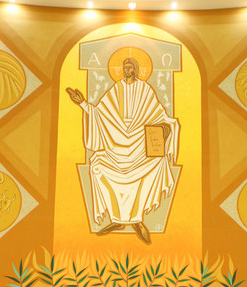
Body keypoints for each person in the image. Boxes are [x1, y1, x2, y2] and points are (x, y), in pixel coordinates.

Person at [66, 56, 179, 244]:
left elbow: (160, 115)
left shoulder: (145, 89)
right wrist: (83, 104)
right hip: (115, 144)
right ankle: (117, 219)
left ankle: (136, 220)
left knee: (158, 163)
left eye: (130, 67)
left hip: (140, 145)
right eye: (125, 67)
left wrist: (165, 129)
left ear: (136, 69)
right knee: (97, 165)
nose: (127, 70)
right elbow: (99, 113)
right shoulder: (116, 89)